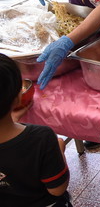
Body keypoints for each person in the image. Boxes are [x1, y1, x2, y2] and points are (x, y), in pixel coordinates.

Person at [0, 54, 72, 206]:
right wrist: (59, 148)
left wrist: (11, 121)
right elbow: (57, 189)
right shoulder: (41, 138)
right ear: (18, 97)